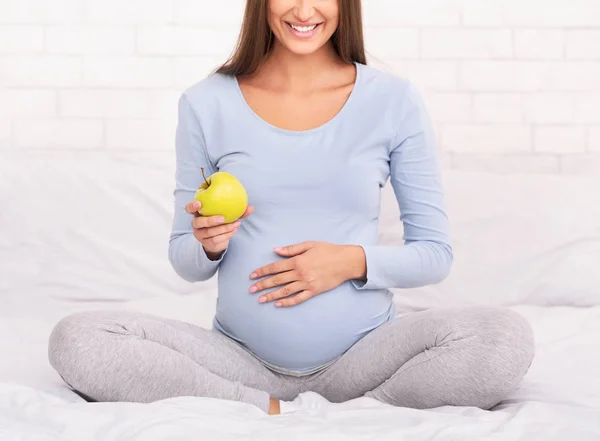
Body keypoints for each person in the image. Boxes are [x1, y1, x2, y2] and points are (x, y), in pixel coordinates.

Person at [48, 0, 535, 415]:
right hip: (238, 358)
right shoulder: (205, 102)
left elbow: (434, 253)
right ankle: (264, 408)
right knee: (79, 338)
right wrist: (208, 245)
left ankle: (361, 412)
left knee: (504, 338)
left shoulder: (393, 100)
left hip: (366, 355)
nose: (304, 10)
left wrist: (348, 262)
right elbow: (185, 260)